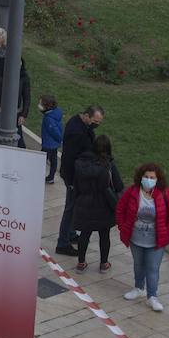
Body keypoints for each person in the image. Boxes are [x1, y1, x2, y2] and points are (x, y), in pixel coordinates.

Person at [112, 159, 169, 301]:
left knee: (152, 268)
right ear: (140, 177)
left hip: (157, 240)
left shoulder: (165, 194)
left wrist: (168, 233)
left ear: (158, 179)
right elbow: (120, 209)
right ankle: (138, 288)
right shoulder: (132, 191)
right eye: (146, 177)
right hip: (135, 238)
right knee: (138, 265)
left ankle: (152, 296)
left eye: (152, 178)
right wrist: (122, 226)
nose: (148, 180)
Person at [55, 105, 105, 254]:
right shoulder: (77, 132)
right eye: (95, 121)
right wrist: (71, 182)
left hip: (75, 175)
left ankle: (70, 234)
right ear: (87, 116)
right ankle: (62, 243)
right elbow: (71, 158)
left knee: (74, 206)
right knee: (70, 209)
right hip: (73, 177)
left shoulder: (78, 123)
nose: (97, 124)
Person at [70, 134, 123, 273]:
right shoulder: (108, 165)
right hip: (103, 205)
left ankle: (81, 263)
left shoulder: (80, 163)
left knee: (84, 234)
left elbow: (75, 185)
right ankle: (104, 263)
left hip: (84, 202)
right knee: (104, 235)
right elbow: (118, 185)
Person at [39, 94, 63, 184]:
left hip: (48, 144)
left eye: (41, 104)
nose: (39, 106)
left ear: (48, 106)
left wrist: (59, 139)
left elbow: (54, 131)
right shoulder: (56, 113)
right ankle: (51, 177)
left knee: (41, 161)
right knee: (53, 160)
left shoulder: (48, 119)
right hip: (53, 144)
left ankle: (38, 175)